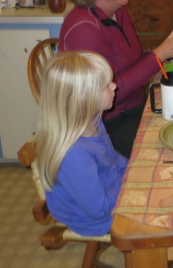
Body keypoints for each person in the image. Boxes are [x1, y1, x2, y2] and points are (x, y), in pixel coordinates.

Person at [59, 0, 173, 158]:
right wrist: (158, 55)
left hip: (136, 108)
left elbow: (131, 61)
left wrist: (165, 56)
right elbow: (110, 95)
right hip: (106, 126)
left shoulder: (118, 12)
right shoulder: (84, 29)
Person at [35, 51, 126, 236]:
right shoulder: (74, 154)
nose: (115, 86)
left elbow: (112, 158)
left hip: (111, 190)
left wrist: (132, 169)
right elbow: (99, 209)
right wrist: (129, 183)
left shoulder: (92, 120)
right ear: (84, 99)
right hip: (96, 220)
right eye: (106, 85)